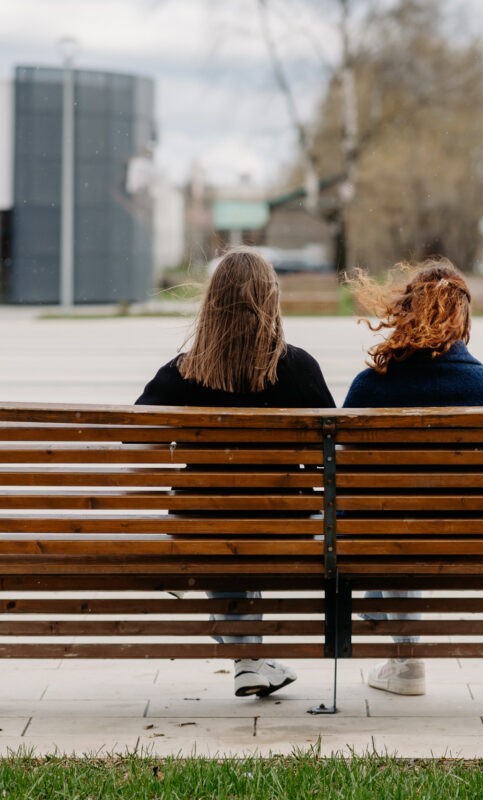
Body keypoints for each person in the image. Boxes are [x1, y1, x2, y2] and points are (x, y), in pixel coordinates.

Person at [136, 246, 335, 698]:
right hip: (286, 523)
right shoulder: (299, 367)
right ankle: (249, 658)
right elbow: (332, 445)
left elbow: (137, 434)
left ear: (212, 303)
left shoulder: (183, 371)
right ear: (271, 300)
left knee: (219, 527)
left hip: (199, 523)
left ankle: (247, 657)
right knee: (243, 525)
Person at [343, 258, 483, 696]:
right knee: (401, 525)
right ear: (462, 319)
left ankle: (405, 660)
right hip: (481, 540)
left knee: (390, 526)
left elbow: (347, 487)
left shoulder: (370, 388)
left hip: (394, 541)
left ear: (405, 312)